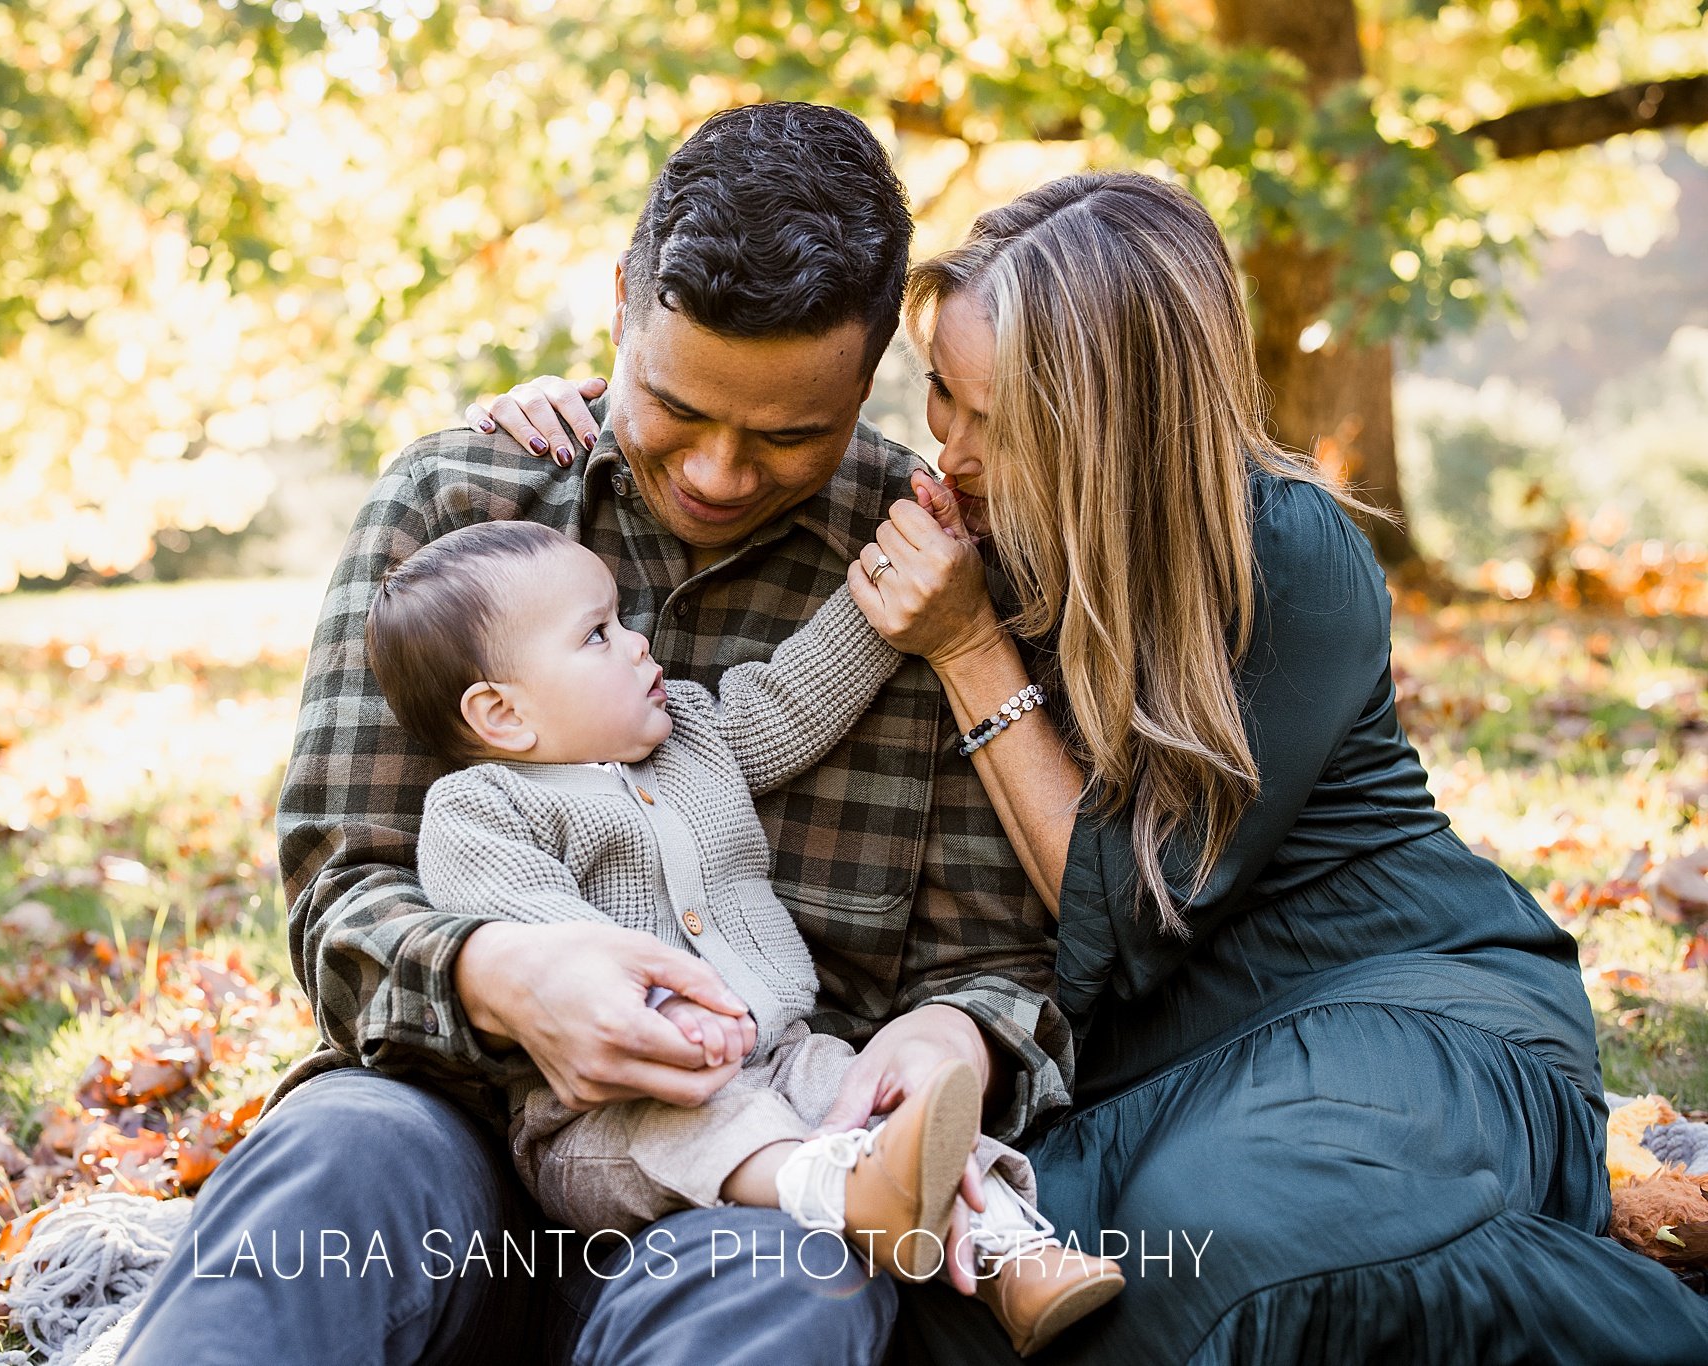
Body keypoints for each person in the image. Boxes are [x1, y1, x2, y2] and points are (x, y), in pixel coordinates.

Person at [479, 170, 1708, 1363]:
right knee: (971, 1286)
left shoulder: (1281, 553)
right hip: (1138, 1076)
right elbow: (714, 483)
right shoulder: (987, 524)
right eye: (936, 396)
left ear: (1096, 422)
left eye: (983, 417)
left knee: (1220, 1245)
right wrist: (593, 409)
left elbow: (1127, 912)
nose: (943, 449)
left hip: (1387, 1009)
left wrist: (967, 648)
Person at [114, 102, 1075, 1366]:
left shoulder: (925, 566)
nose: (721, 474)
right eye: (677, 406)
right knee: (335, 1158)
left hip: (765, 1151)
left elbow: (1000, 956)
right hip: (455, 1115)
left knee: (789, 1291)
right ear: (623, 300)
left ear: (870, 371)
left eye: (788, 433)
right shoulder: (460, 505)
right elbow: (340, 892)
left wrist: (955, 1033)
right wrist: (499, 975)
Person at [364, 518, 1123, 1351]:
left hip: (781, 1053)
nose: (637, 643)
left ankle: (1015, 1255)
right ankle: (845, 1194)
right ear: (502, 714)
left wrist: (880, 593)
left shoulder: (692, 735)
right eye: (598, 635)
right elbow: (547, 930)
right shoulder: (484, 808)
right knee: (710, 1130)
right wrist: (655, 1004)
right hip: (615, 1107)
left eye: (622, 619)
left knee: (878, 1098)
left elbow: (795, 698)